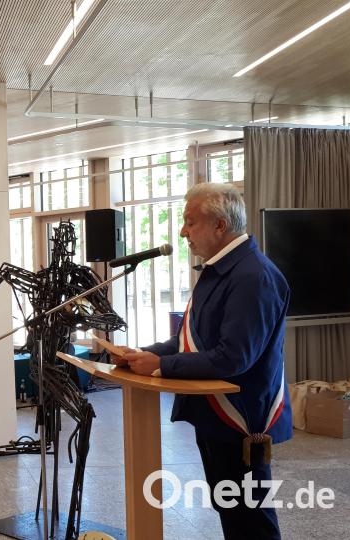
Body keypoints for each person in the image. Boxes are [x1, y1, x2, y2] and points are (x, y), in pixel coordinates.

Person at [114, 183, 291, 540]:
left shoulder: (253, 276)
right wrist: (142, 355)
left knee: (251, 522)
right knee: (233, 514)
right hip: (214, 415)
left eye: (189, 222)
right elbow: (190, 341)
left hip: (241, 418)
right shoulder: (220, 270)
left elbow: (233, 356)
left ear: (220, 226)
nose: (182, 232)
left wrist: (162, 366)